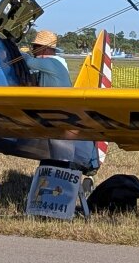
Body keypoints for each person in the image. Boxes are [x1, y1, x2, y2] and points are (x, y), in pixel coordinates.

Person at [23, 29, 99, 173]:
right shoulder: (52, 64)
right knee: (57, 153)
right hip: (57, 117)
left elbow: (28, 62)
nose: (33, 50)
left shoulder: (51, 63)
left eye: (35, 47)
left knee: (62, 157)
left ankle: (66, 176)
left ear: (44, 48)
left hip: (62, 118)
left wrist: (17, 52)